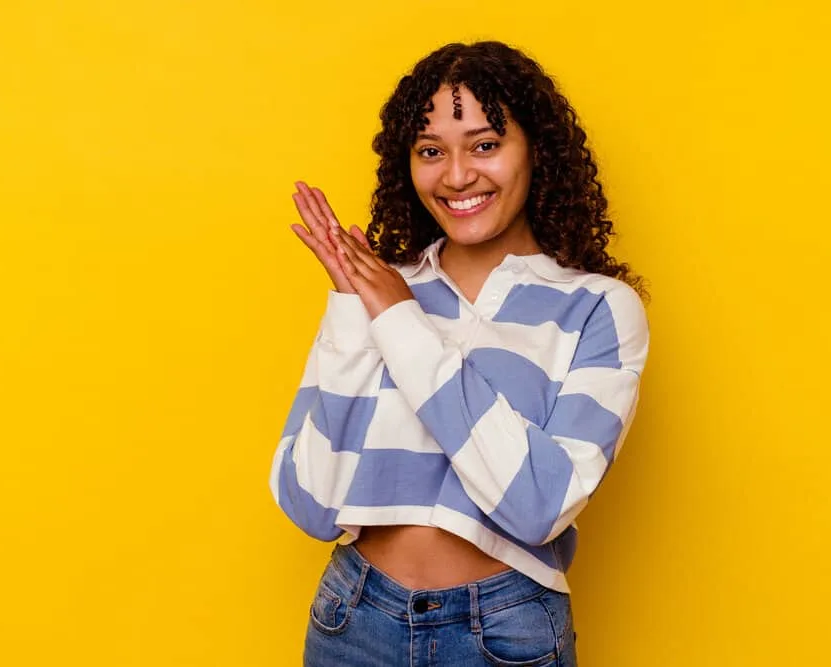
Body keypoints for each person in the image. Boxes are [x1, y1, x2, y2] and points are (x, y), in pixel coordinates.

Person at [270, 40, 650, 666]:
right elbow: (310, 502)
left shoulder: (597, 309)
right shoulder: (374, 288)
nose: (455, 176)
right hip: (351, 621)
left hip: (504, 634)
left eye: (484, 145)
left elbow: (537, 506)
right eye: (430, 152)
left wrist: (398, 321)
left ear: (537, 152)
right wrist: (352, 312)